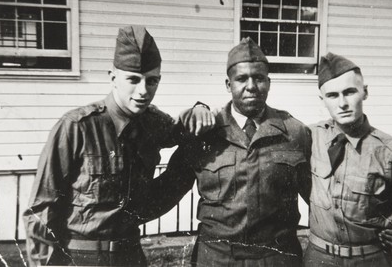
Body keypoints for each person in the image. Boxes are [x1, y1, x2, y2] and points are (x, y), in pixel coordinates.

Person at [23, 25, 215, 267]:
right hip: (80, 256)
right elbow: (40, 209)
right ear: (113, 78)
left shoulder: (152, 122)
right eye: (133, 80)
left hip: (131, 255)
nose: (143, 91)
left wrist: (200, 108)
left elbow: (186, 131)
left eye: (152, 81)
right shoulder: (76, 127)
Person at [169, 37, 312, 266]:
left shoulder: (294, 132)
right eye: (242, 79)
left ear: (269, 82)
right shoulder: (204, 133)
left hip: (276, 258)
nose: (251, 86)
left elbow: (318, 197)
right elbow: (166, 191)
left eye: (258, 78)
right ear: (228, 85)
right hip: (217, 258)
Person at [304, 52, 392, 267]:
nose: (342, 103)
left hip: (370, 259)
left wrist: (391, 227)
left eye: (350, 92)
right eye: (332, 95)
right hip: (318, 259)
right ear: (322, 100)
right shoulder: (308, 138)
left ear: (365, 92)